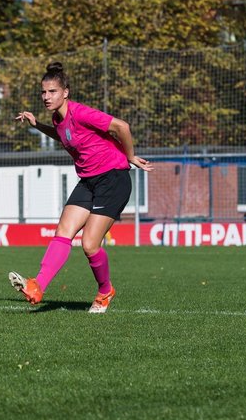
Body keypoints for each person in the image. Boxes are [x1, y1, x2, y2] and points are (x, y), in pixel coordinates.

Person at [8, 61, 153, 314]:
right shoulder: (57, 118)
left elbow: (122, 127)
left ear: (66, 92)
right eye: (43, 92)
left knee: (89, 245)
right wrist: (38, 126)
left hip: (113, 179)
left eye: (52, 91)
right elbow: (63, 135)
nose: (46, 96)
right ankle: (37, 285)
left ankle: (105, 290)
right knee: (63, 230)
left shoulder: (81, 113)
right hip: (88, 180)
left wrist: (130, 156)